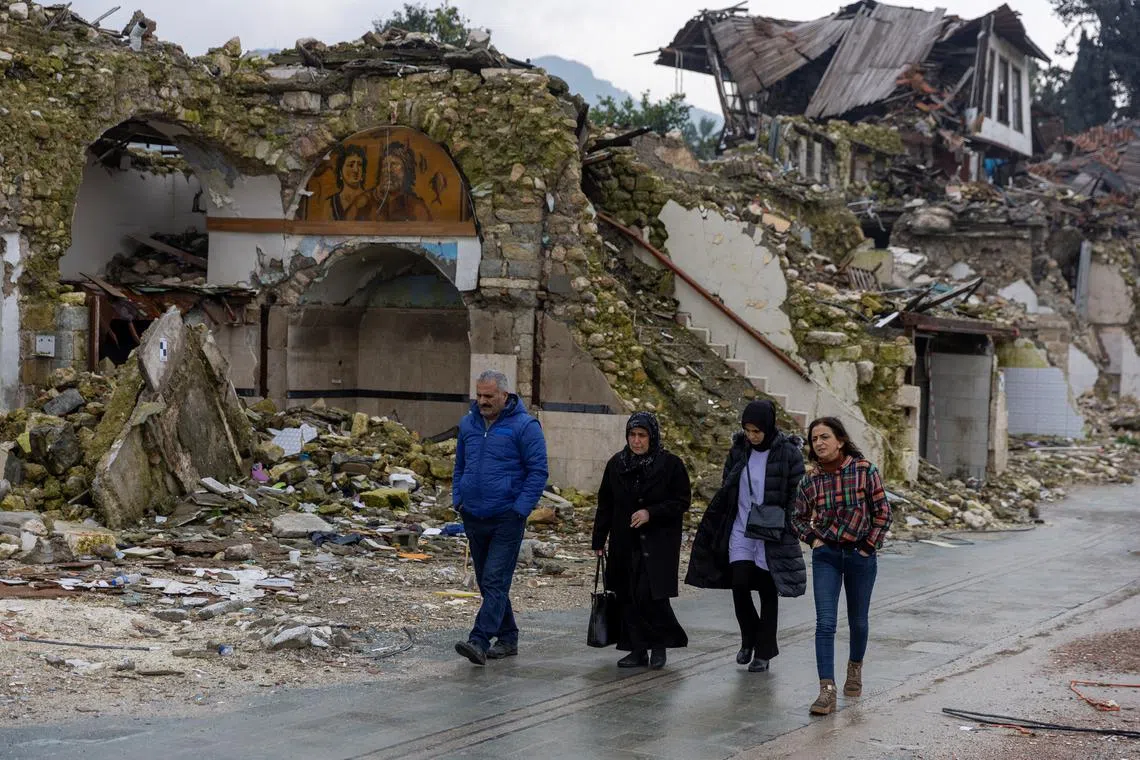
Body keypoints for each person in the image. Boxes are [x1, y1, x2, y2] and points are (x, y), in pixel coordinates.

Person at [686, 400, 807, 673]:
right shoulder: (739, 449)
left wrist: (786, 522)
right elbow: (727, 482)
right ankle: (749, 639)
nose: (751, 436)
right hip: (741, 527)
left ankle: (763, 652)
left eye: (756, 431)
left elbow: (796, 493)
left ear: (768, 426)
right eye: (747, 430)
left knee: (766, 590)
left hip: (771, 531)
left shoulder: (788, 453)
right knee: (739, 585)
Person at [792, 417, 892, 716]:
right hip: (827, 557)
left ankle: (855, 668)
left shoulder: (864, 471)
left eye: (825, 437)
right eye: (814, 439)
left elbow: (883, 513)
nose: (819, 443)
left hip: (861, 556)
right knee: (825, 623)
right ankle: (826, 691)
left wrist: (867, 547)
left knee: (858, 621)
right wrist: (812, 540)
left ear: (840, 440)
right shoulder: (810, 480)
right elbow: (796, 517)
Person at [451, 370, 549, 665]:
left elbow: (538, 472)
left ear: (505, 396)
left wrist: (520, 509)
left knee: (495, 579)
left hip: (507, 516)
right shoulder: (468, 424)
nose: (482, 401)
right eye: (479, 395)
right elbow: (460, 466)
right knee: (487, 581)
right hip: (474, 515)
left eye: (489, 396)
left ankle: (479, 640)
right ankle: (508, 637)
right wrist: (459, 499)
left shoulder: (525, 426)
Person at [592, 412, 690, 669]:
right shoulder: (617, 464)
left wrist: (651, 513)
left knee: (651, 594)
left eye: (642, 435)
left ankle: (658, 646)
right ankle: (636, 649)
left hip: (657, 543)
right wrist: (599, 540)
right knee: (626, 594)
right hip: (624, 541)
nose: (636, 441)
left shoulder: (670, 465)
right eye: (632, 435)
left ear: (652, 437)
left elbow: (681, 501)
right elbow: (606, 503)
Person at [371, 141, 433, 222]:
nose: (388, 170)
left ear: (406, 171)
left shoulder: (417, 207)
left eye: (394, 164)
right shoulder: (363, 203)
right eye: (385, 165)